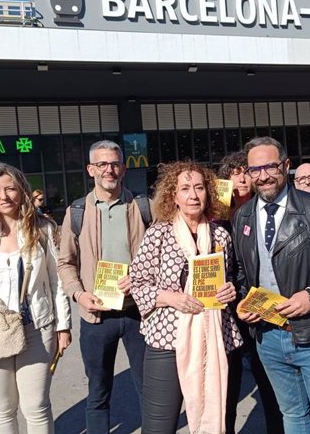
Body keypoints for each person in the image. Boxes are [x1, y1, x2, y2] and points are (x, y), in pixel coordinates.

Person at [234, 136, 310, 434]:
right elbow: (241, 273)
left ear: (286, 166)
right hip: (268, 337)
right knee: (293, 416)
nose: (263, 176)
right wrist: (242, 302)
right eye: (255, 169)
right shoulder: (242, 216)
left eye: (270, 166)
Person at [0, 163, 71, 434]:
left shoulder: (42, 229)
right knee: (2, 409)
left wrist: (63, 325)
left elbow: (57, 282)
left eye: (10, 189)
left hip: (36, 328)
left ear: (22, 190)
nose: (4, 196)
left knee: (37, 407)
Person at [130, 161, 243, 434]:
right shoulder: (158, 233)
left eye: (199, 188)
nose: (193, 195)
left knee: (220, 417)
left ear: (208, 192)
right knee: (159, 425)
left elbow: (230, 277)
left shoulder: (221, 235)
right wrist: (170, 298)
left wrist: (230, 290)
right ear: (173, 196)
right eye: (185, 189)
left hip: (218, 337)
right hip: (168, 339)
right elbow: (137, 282)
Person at [57, 140, 149, 434]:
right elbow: (65, 263)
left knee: (150, 391)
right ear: (90, 169)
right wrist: (79, 294)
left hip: (139, 314)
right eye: (102, 164)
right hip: (96, 317)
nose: (109, 170)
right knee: (98, 393)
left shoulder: (143, 207)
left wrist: (140, 277)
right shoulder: (77, 212)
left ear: (123, 168)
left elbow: (161, 255)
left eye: (114, 164)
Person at [218, 152, 284, 434]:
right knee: (228, 385)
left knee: (268, 379)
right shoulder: (215, 215)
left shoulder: (266, 208)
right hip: (226, 306)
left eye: (246, 171)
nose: (242, 178)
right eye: (234, 173)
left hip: (260, 302)